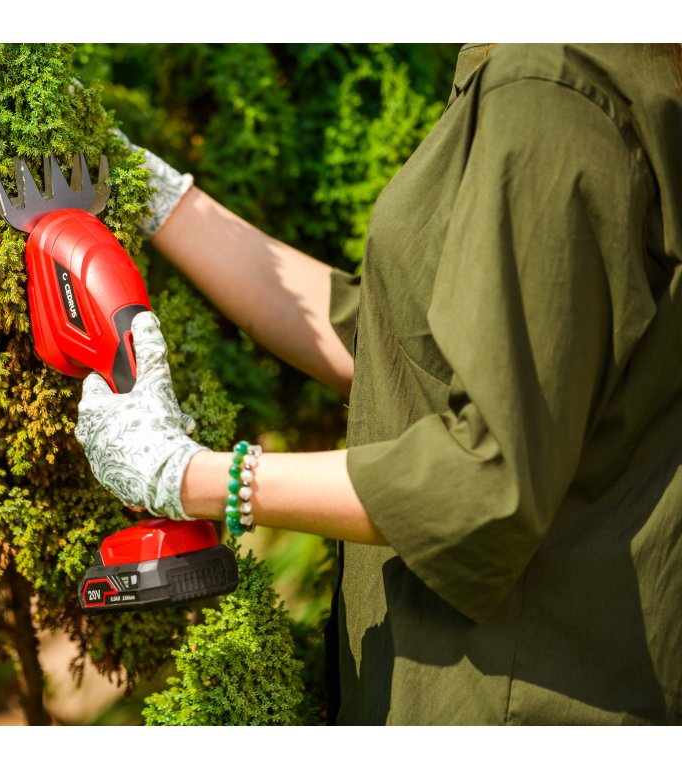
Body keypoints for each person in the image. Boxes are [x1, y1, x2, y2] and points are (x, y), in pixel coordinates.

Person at [73, 44, 682, 724]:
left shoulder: (547, 89)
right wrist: (159, 196)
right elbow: (398, 345)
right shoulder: (588, 76)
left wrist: (190, 477)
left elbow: (485, 482)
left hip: (515, 701)